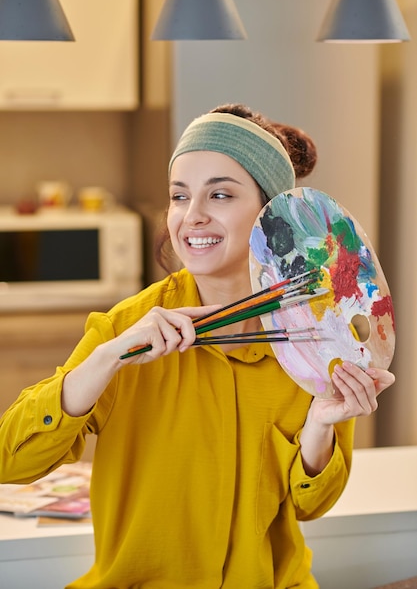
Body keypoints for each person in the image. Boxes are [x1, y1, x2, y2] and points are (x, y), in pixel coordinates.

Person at [0, 103, 395, 589]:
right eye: (179, 196)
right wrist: (105, 359)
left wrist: (319, 426)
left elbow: (311, 505)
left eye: (221, 195)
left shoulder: (318, 334)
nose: (192, 217)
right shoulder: (124, 328)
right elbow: (10, 463)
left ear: (271, 214)